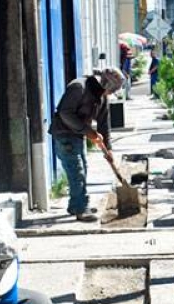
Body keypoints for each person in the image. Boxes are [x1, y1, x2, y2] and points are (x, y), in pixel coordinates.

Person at [49, 68, 126, 222]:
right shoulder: (79, 87)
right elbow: (65, 113)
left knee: (82, 168)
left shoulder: (102, 97)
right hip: (64, 133)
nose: (110, 94)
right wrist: (88, 131)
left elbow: (104, 123)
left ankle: (76, 205)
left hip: (78, 135)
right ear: (105, 85)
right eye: (111, 91)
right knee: (77, 171)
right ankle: (80, 208)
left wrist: (108, 149)